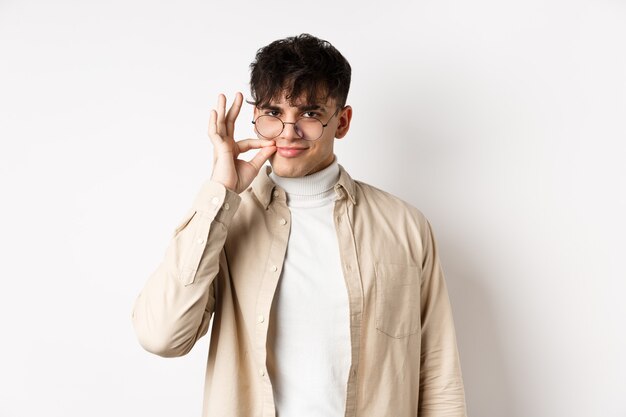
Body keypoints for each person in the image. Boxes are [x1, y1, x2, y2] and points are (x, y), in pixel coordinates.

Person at [131, 33, 467, 417]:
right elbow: (161, 336)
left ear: (341, 121)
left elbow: (439, 377)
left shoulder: (404, 225)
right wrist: (220, 193)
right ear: (256, 116)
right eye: (274, 113)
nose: (289, 132)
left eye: (309, 114)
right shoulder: (225, 221)